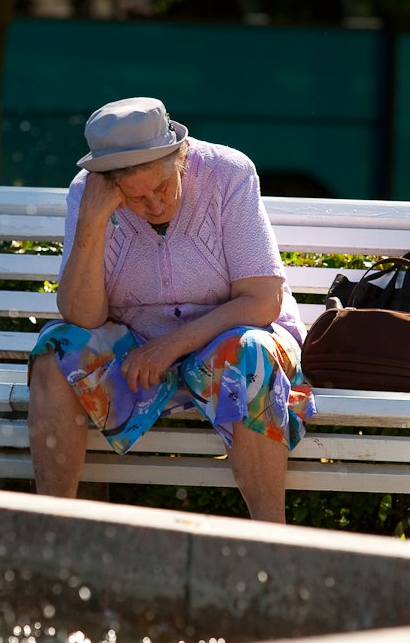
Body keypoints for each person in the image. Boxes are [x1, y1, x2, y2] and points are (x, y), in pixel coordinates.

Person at [27, 97, 316, 523]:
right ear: (109, 186)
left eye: (162, 188)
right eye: (135, 198)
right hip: (138, 363)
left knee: (248, 352)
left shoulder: (229, 173)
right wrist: (92, 223)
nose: (156, 207)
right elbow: (82, 318)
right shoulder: (88, 199)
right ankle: (51, 535)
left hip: (232, 346)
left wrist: (172, 345)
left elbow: (262, 299)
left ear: (180, 157)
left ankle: (270, 542)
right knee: (55, 352)